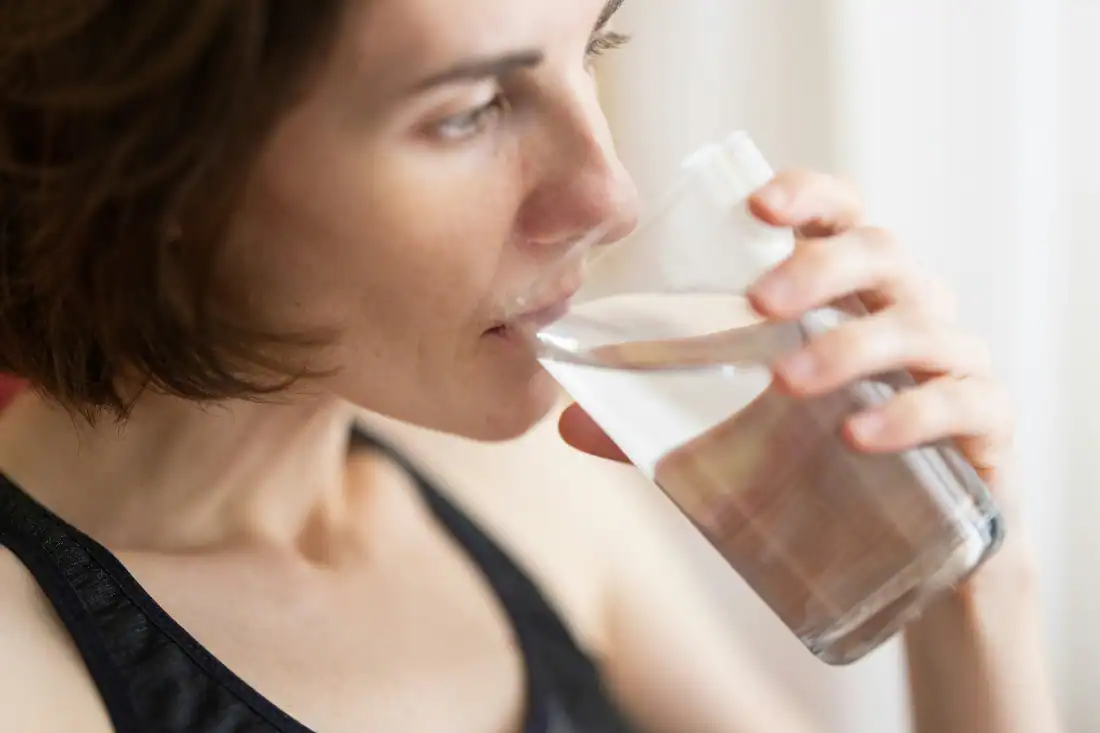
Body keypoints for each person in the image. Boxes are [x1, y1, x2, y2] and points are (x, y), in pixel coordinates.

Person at [0, 1, 1063, 732]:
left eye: (588, 47)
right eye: (467, 110)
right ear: (155, 171)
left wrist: (971, 581)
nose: (609, 195)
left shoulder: (519, 487)